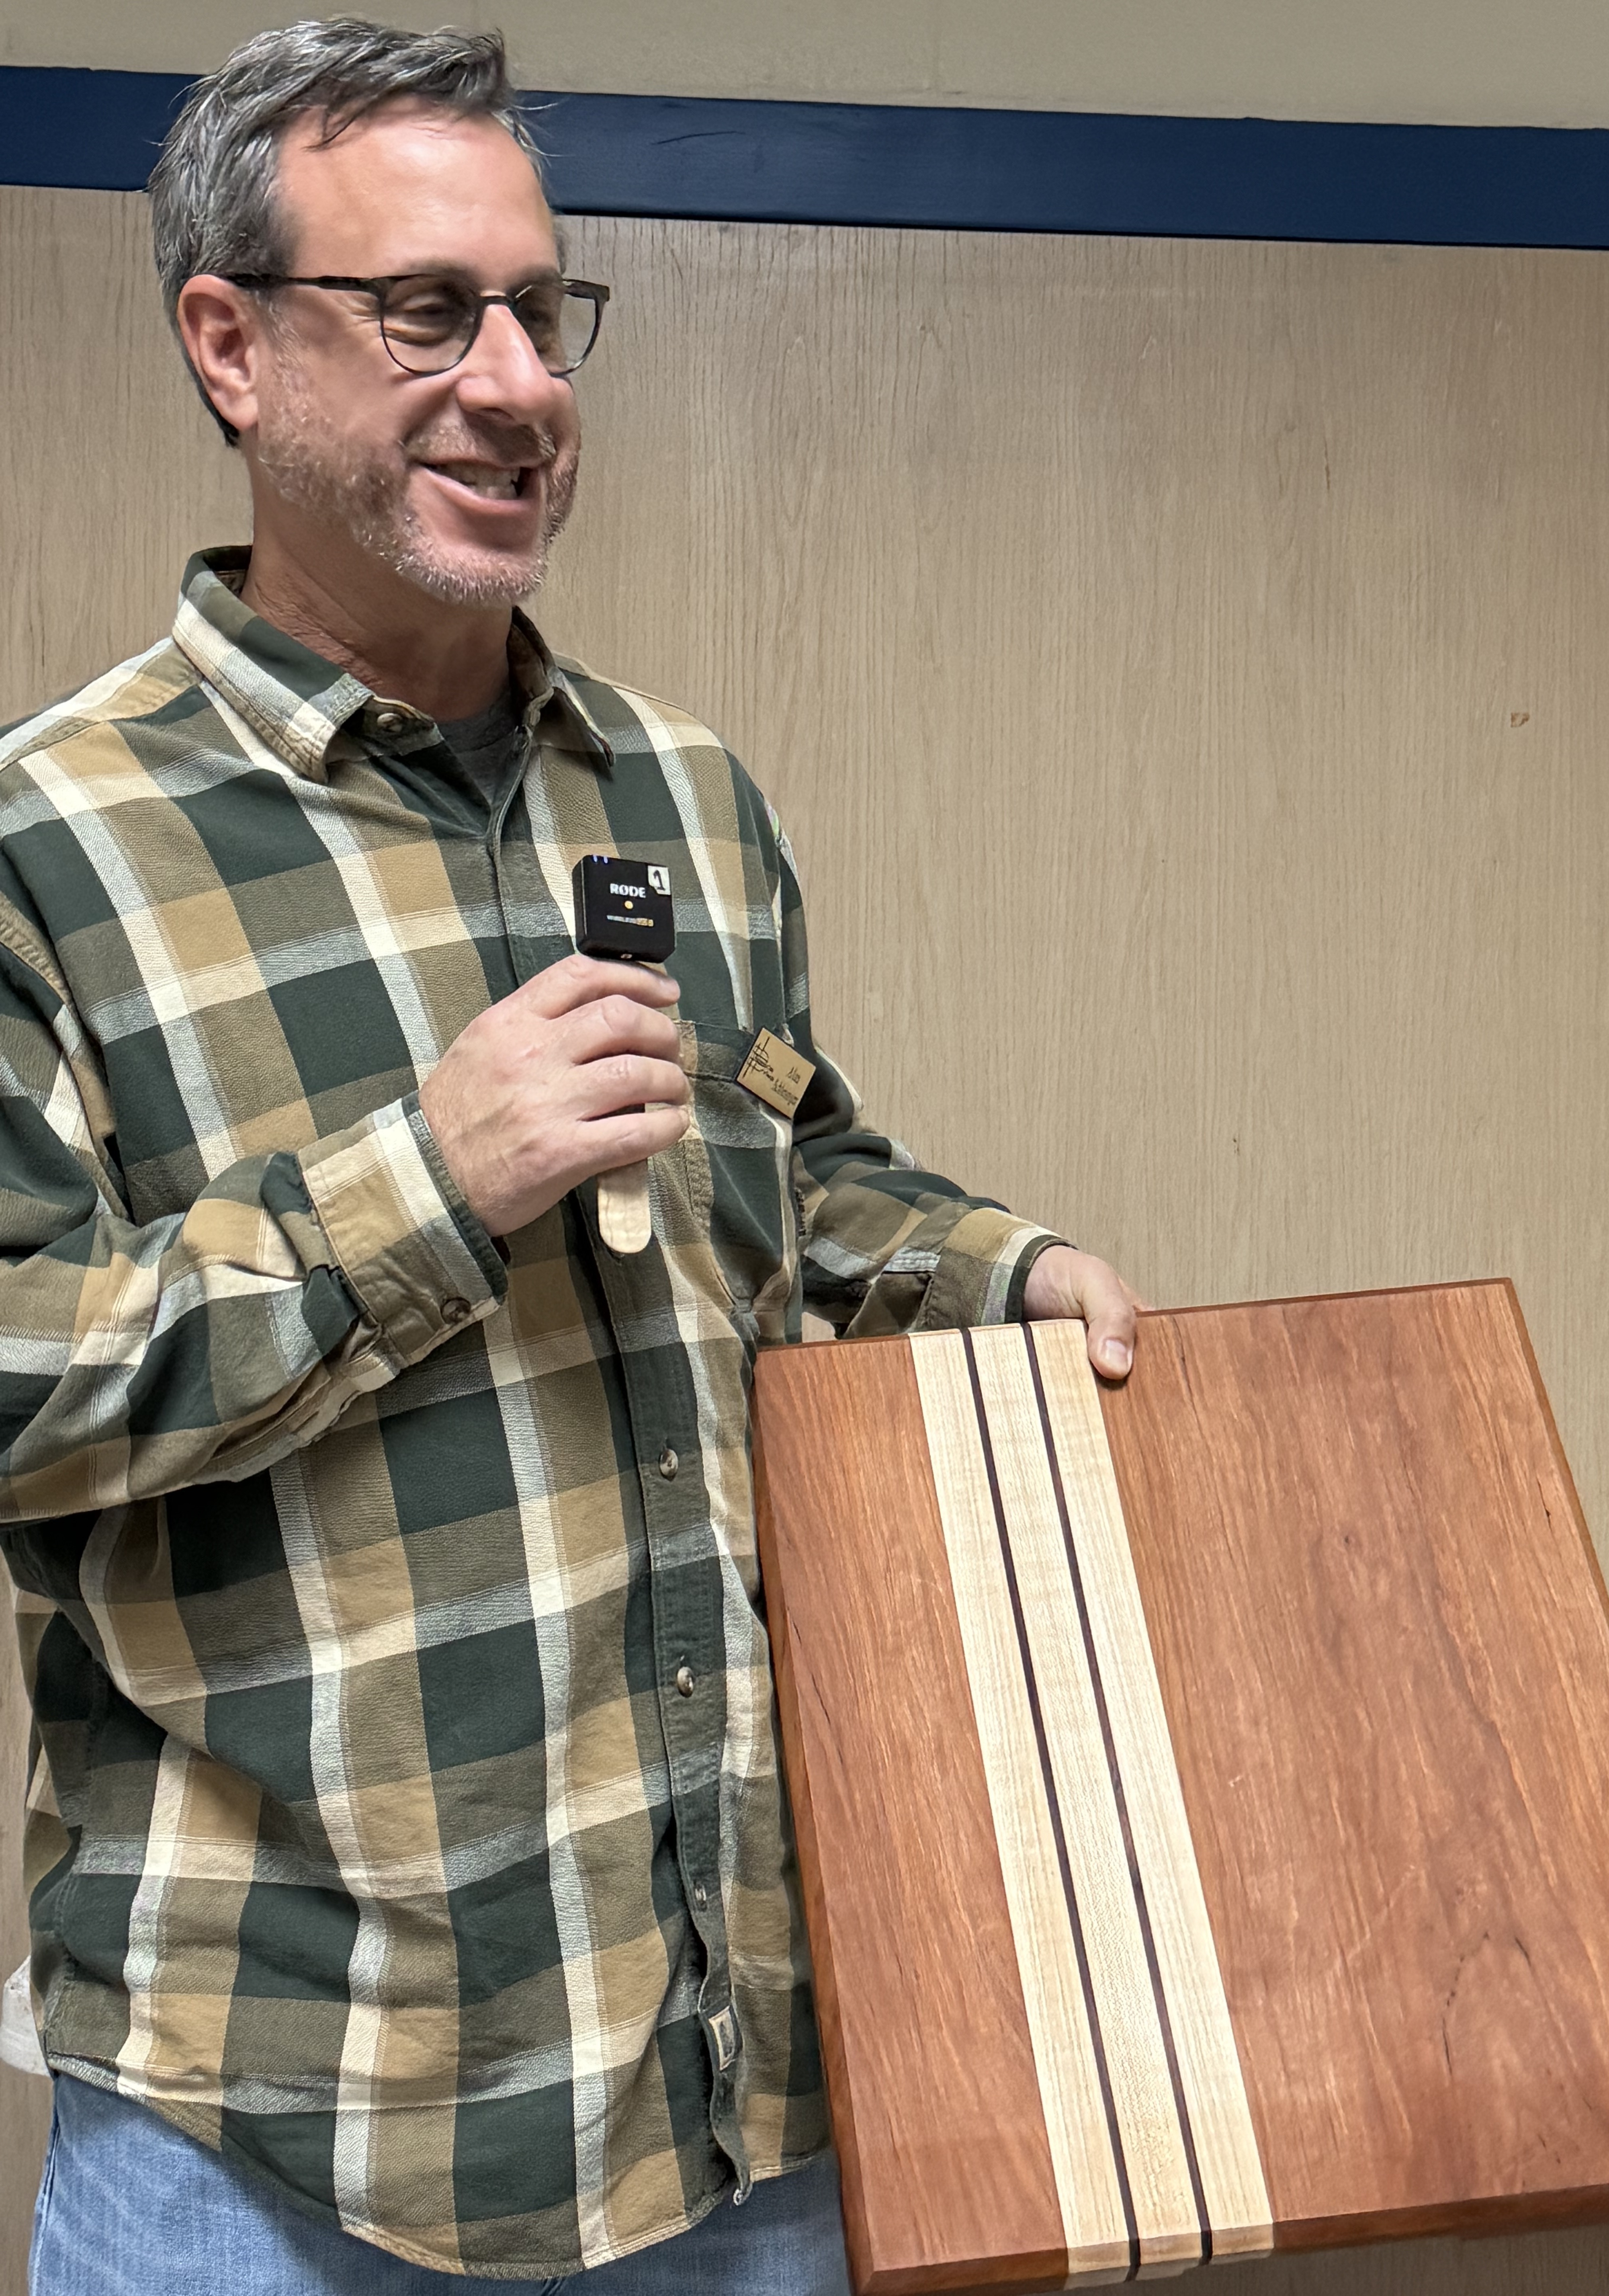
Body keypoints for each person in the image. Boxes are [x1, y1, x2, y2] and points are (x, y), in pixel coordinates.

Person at [0, 21, 1140, 2294]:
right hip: (275, 2140)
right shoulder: (48, 844)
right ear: (230, 345)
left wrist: (998, 1269)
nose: (519, 384)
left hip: (738, 2102)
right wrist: (426, 1181)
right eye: (429, 312)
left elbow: (786, 1183)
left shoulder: (684, 796)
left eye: (542, 309)